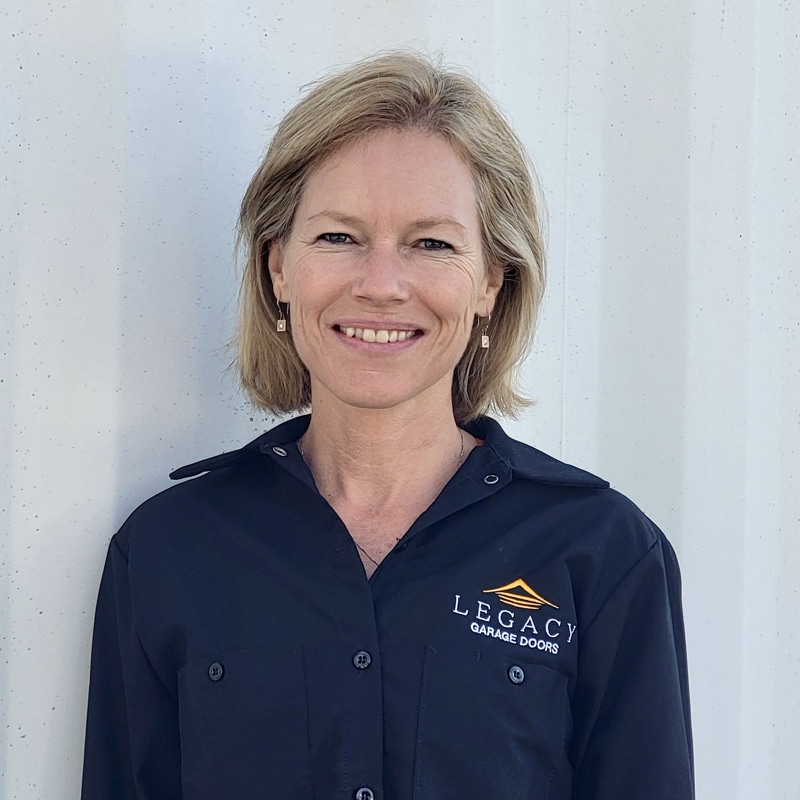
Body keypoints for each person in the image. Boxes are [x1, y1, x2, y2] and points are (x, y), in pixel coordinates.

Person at [81, 52, 694, 800]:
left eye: (431, 243)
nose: (379, 284)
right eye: (338, 238)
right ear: (279, 268)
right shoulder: (168, 551)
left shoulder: (603, 555)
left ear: (491, 282)